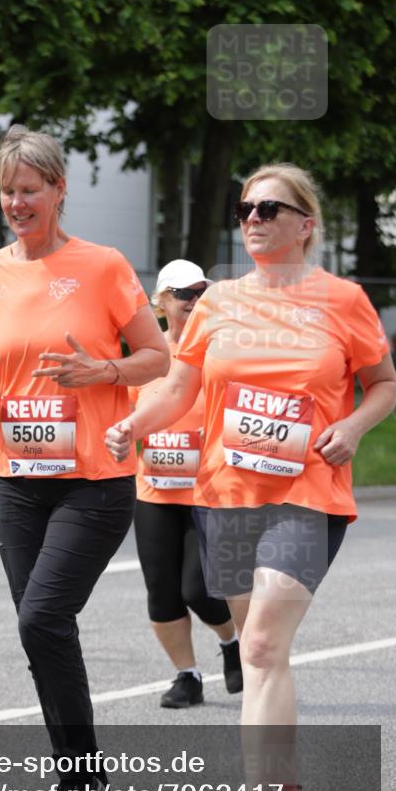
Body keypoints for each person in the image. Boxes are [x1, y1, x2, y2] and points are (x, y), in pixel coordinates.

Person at [105, 163, 396, 791]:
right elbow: (180, 386)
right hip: (226, 497)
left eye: (270, 208)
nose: (254, 219)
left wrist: (353, 426)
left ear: (305, 224)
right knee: (266, 653)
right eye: (245, 210)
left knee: (260, 645)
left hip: (308, 494)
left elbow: (383, 384)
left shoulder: (342, 299)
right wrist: (134, 425)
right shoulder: (218, 302)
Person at [0, 124, 169, 791]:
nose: (17, 202)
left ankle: (77, 781)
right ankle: (83, 776)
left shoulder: (101, 266)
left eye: (29, 189)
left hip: (93, 480)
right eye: (7, 190)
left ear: (58, 190)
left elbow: (157, 357)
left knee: (41, 618)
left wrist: (103, 370)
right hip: (16, 479)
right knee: (42, 631)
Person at [130, 259, 243, 709]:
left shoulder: (221, 352)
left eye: (202, 292)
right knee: (162, 593)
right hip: (154, 492)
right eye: (184, 294)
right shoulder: (148, 356)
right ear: (161, 303)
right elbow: (125, 413)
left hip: (207, 492)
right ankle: (187, 676)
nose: (195, 301)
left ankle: (231, 640)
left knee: (197, 589)